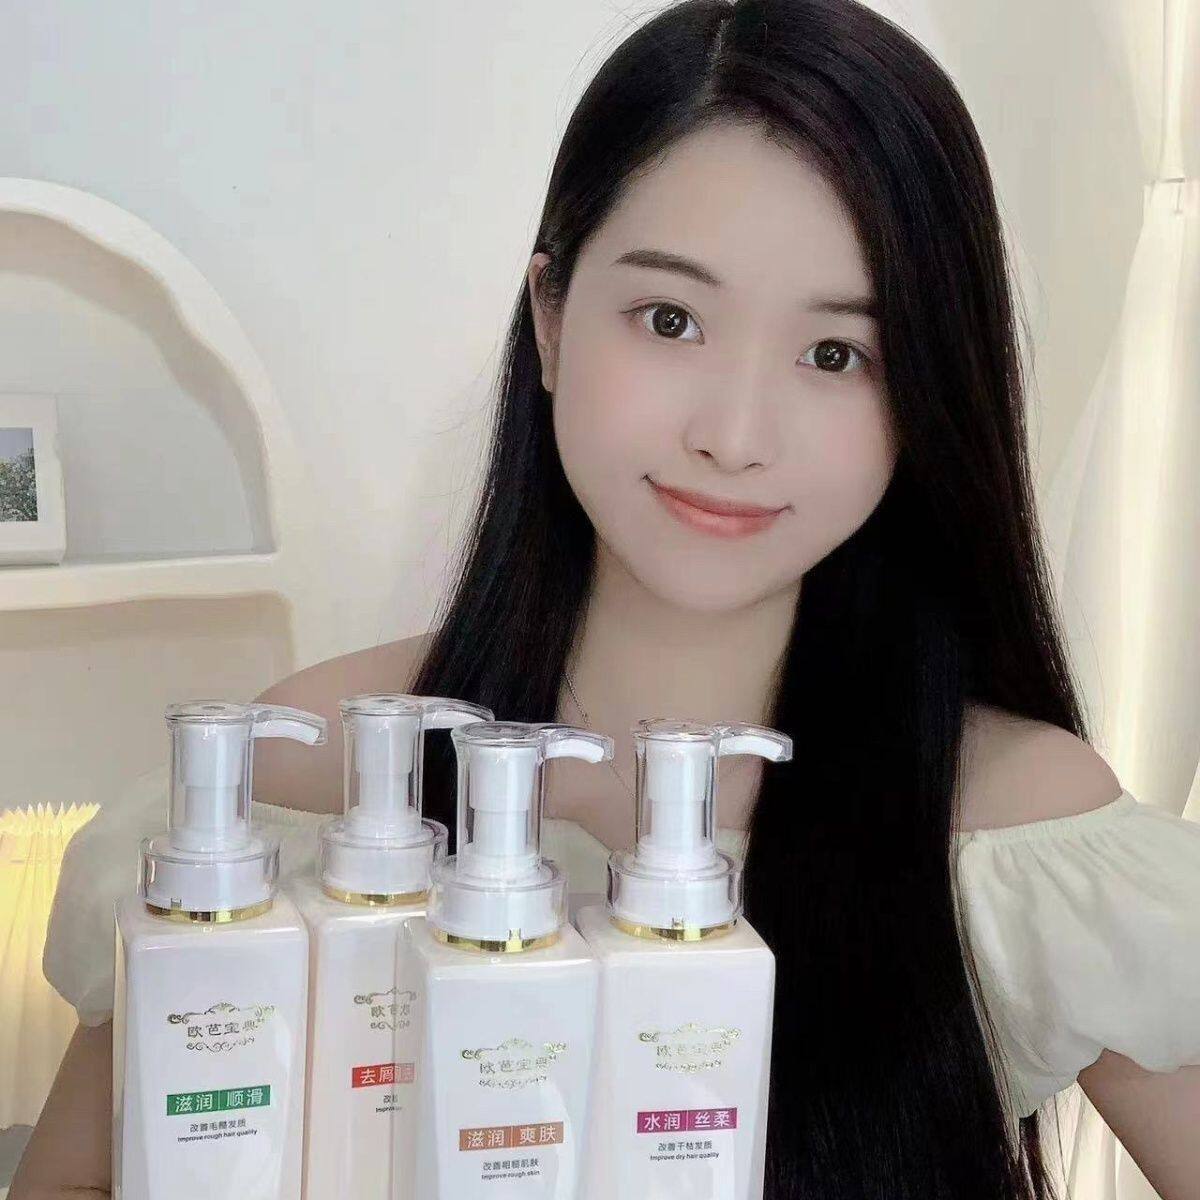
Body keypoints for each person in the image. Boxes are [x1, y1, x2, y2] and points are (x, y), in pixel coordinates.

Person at [14, 1, 1200, 1197]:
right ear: (550, 316)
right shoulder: (298, 774)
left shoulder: (1018, 834)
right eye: (670, 320)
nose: (734, 434)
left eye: (836, 354)